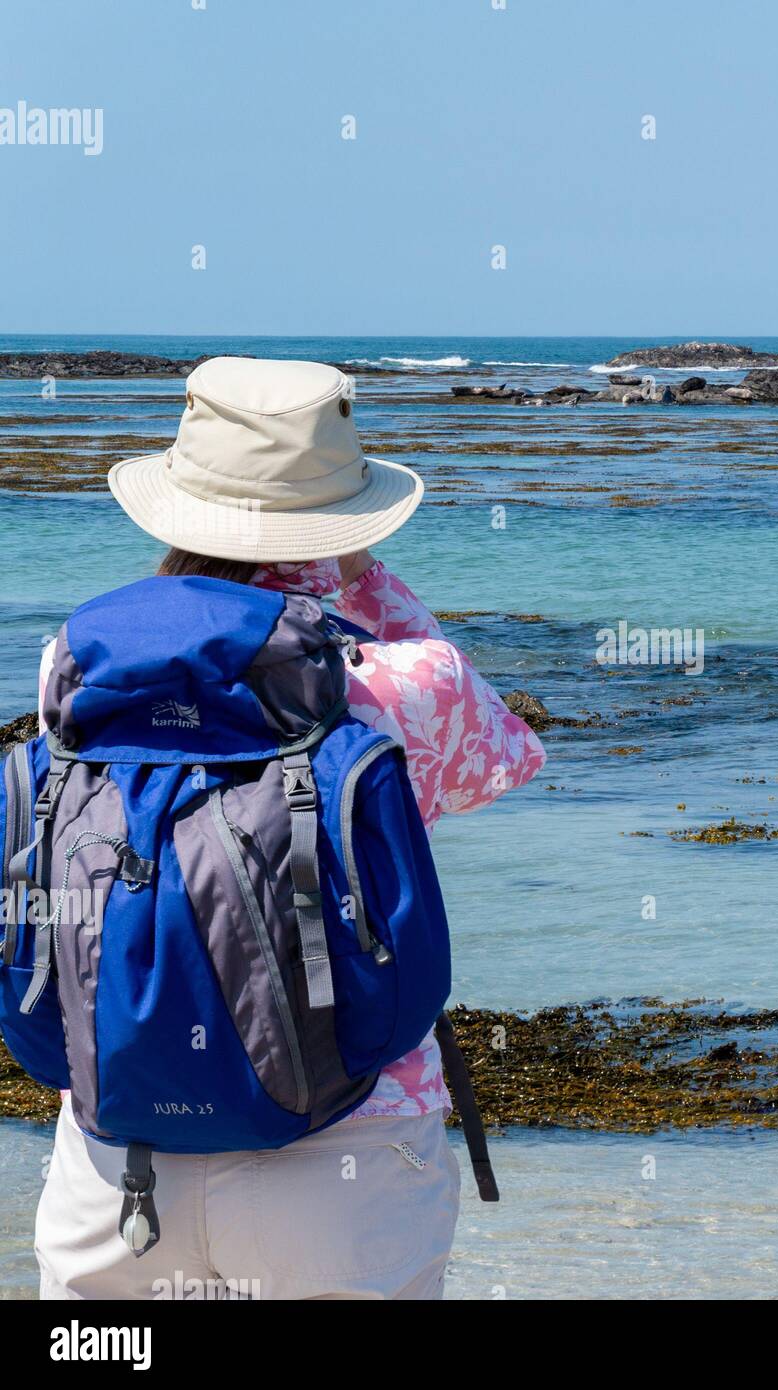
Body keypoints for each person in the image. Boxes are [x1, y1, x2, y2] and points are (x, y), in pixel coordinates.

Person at [30, 357, 546, 1299]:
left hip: (118, 1145)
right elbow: (505, 755)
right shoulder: (407, 682)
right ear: (350, 516)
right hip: (346, 1148)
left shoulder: (73, 662)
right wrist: (362, 570)